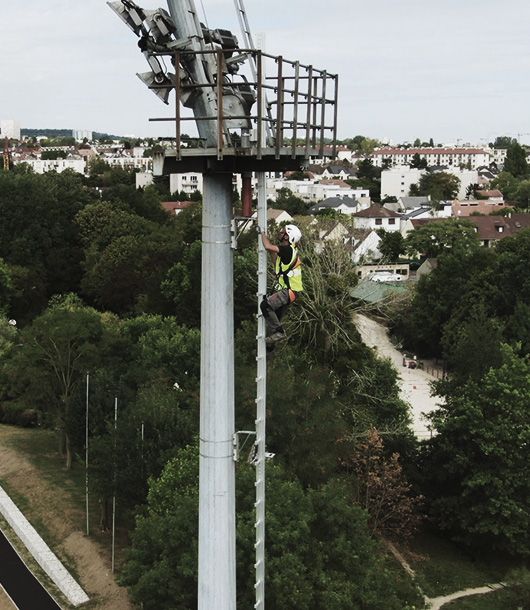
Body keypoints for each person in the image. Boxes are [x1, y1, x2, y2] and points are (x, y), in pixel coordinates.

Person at [258, 224, 303, 346]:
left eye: (283, 232)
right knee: (274, 319)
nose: (280, 233)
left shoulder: (288, 250)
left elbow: (267, 246)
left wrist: (262, 233)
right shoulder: (286, 252)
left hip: (289, 291)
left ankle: (280, 333)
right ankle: (270, 347)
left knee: (265, 306)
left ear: (287, 237)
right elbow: (275, 261)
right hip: (290, 292)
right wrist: (270, 249)